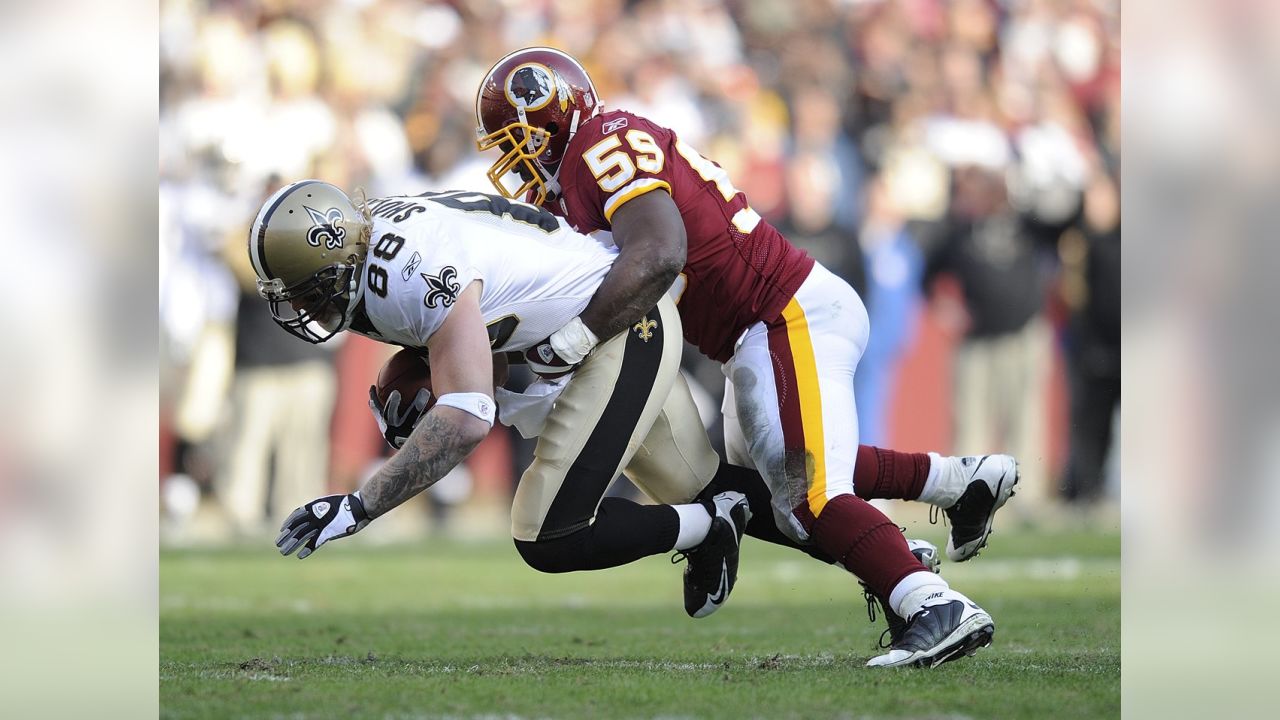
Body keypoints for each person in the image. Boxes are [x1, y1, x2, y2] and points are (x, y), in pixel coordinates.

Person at [474, 47, 1014, 667]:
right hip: (751, 333)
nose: (516, 159)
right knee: (768, 485)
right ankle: (955, 484)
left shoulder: (604, 140)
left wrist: (577, 339)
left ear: (554, 112)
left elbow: (660, 252)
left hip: (782, 313)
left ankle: (932, 606)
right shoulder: (573, 181)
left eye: (518, 139)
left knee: (805, 493)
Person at [254, 180, 757, 618]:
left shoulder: (407, 276)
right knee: (706, 483)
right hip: (598, 332)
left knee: (549, 532)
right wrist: (422, 386)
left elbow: (470, 414)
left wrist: (360, 506)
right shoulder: (377, 244)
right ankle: (823, 519)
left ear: (335, 255)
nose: (297, 306)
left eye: (301, 289)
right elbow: (488, 344)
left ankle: (712, 526)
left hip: (618, 325)